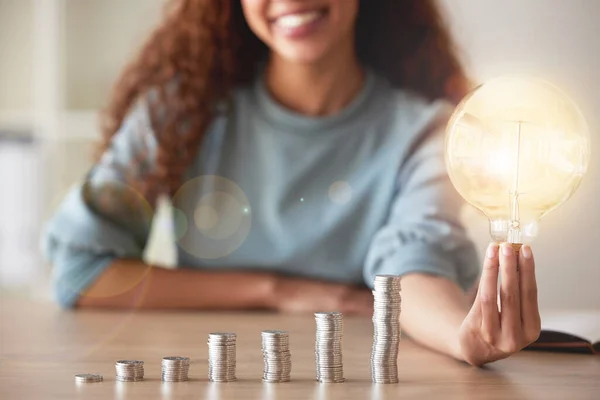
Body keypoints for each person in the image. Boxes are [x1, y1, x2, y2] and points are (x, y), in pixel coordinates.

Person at [43, 0, 541, 366]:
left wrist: (462, 336)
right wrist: (277, 290)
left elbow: (415, 263)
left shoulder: (429, 130)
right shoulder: (178, 113)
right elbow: (81, 271)